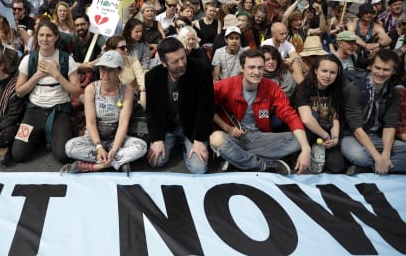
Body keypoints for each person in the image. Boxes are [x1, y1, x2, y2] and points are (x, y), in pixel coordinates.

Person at [209, 49, 311, 175]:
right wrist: (227, 128)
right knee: (215, 138)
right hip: (233, 136)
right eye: (251, 67)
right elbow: (206, 107)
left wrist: (306, 148)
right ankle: (264, 165)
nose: (256, 72)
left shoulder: (271, 87)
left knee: (300, 140)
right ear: (242, 68)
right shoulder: (226, 85)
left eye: (260, 68)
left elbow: (289, 113)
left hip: (259, 136)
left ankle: (236, 157)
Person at [64, 51, 147, 173]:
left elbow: (123, 123)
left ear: (119, 71)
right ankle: (118, 162)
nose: (105, 74)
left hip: (117, 138)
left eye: (111, 70)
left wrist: (114, 150)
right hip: (94, 138)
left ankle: (93, 166)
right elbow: (90, 123)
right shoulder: (91, 89)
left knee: (142, 146)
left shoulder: (127, 90)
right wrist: (99, 147)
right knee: (69, 147)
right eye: (103, 68)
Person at [13, 20, 81, 163]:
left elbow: (76, 92)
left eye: (49, 35)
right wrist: (37, 75)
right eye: (41, 35)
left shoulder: (67, 59)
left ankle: (46, 134)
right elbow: (19, 92)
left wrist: (56, 74)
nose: (44, 39)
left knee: (63, 156)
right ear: (37, 37)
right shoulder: (28, 59)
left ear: (56, 37)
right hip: (34, 110)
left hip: (59, 109)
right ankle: (40, 135)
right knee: (18, 154)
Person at [145, 37, 214, 174]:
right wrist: (157, 139)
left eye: (183, 57)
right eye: (175, 61)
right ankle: (175, 144)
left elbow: (206, 108)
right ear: (164, 63)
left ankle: (186, 146)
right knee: (155, 161)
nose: (182, 63)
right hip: (168, 127)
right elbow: (152, 112)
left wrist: (199, 140)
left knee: (198, 169)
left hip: (193, 127)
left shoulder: (201, 70)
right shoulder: (152, 77)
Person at [340, 50, 406, 174]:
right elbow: (356, 128)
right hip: (352, 136)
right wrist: (377, 157)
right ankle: (376, 164)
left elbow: (390, 126)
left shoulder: (394, 93)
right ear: (370, 66)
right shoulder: (353, 88)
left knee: (380, 156)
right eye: (377, 68)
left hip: (376, 136)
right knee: (359, 156)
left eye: (386, 70)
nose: (380, 73)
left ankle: (371, 167)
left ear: (394, 71)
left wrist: (385, 155)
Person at [292, 54, 346, 173]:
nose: (328, 76)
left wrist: (335, 138)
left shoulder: (335, 89)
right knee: (313, 116)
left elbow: (335, 116)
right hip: (306, 133)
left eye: (332, 72)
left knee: (338, 166)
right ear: (316, 70)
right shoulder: (304, 88)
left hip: (325, 133)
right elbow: (306, 119)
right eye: (324, 71)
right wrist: (326, 136)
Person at [346, 3, 391, 67]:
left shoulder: (376, 27)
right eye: (366, 12)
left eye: (371, 12)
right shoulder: (353, 24)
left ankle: (376, 66)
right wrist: (366, 46)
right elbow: (352, 36)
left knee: (386, 47)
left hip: (368, 51)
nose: (369, 14)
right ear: (361, 14)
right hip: (355, 49)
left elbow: (388, 39)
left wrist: (375, 45)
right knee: (355, 45)